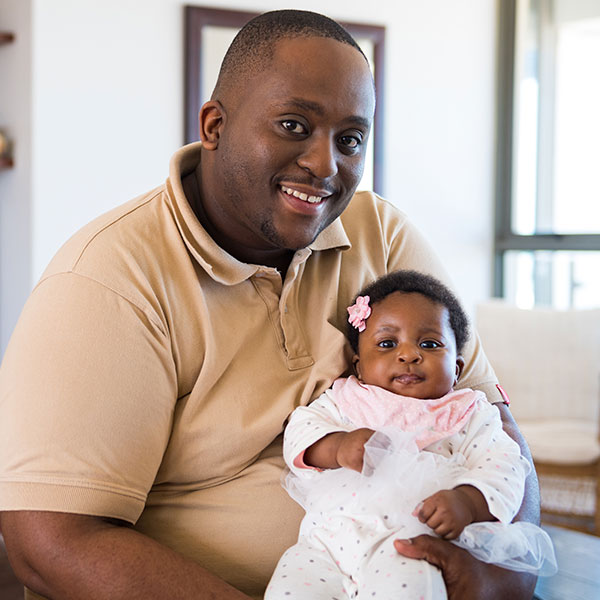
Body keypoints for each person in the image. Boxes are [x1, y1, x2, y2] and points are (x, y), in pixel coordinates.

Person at [0, 9, 539, 600]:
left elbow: (492, 420)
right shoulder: (110, 279)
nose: (325, 164)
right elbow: (49, 540)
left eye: (351, 139)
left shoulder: (382, 235)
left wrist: (509, 568)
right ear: (213, 126)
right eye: (292, 124)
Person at [266, 270, 555, 599]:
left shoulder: (468, 412)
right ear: (359, 365)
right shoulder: (346, 399)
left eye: (429, 344)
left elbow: (504, 463)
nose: (408, 355)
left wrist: (469, 500)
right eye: (387, 344)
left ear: (457, 370)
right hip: (326, 544)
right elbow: (302, 428)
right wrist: (337, 446)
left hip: (410, 546)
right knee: (289, 591)